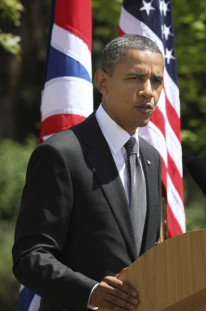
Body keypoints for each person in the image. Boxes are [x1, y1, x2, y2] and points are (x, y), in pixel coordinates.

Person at [12, 34, 164, 311]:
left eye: (156, 81)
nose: (148, 91)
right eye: (135, 78)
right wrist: (91, 292)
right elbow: (30, 257)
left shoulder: (151, 159)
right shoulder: (62, 154)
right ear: (103, 82)